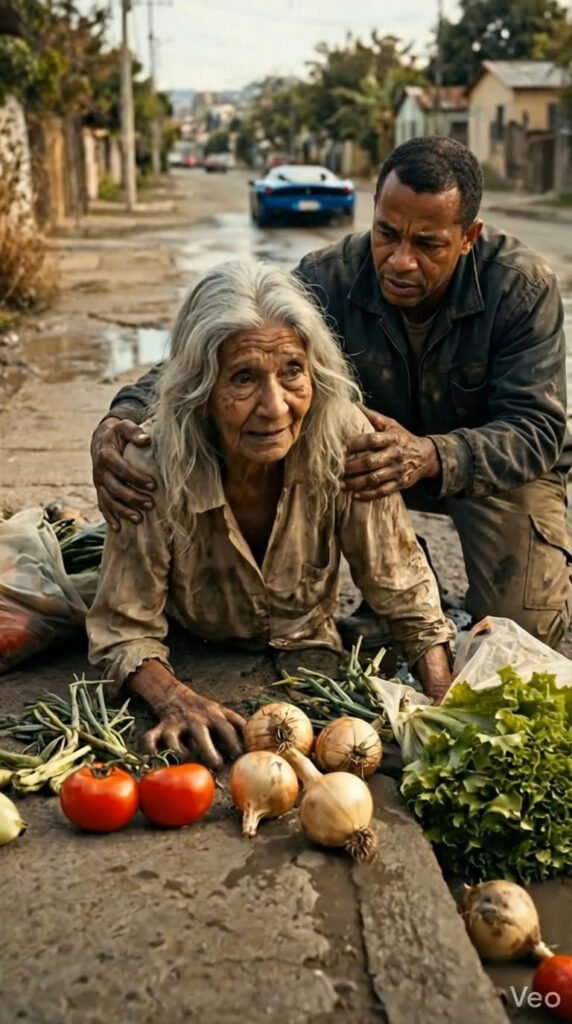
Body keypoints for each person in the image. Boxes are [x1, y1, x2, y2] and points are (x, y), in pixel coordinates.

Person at [90, 136, 572, 648]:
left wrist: (431, 454)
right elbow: (210, 356)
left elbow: (537, 429)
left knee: (523, 631)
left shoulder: (521, 286)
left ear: (468, 236)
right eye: (387, 233)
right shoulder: (327, 276)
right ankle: (403, 565)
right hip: (369, 465)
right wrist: (120, 417)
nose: (400, 261)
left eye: (427, 244)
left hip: (488, 469)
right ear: (373, 212)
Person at [86, 260, 454, 769]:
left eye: (292, 372)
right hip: (198, 641)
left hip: (310, 644)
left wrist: (445, 706)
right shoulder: (151, 463)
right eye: (243, 378)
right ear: (203, 391)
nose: (275, 407)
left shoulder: (344, 436)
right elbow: (121, 630)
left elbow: (405, 590)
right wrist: (174, 697)